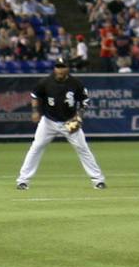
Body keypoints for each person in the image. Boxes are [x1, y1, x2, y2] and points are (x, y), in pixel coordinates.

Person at [16, 56, 105, 190]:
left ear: (68, 69)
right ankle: (23, 180)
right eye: (57, 67)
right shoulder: (46, 82)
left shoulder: (76, 83)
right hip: (48, 121)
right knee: (36, 148)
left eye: (62, 67)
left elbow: (84, 101)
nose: (59, 70)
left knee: (83, 148)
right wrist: (35, 111)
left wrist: (78, 117)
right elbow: (35, 95)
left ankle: (98, 180)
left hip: (69, 122)